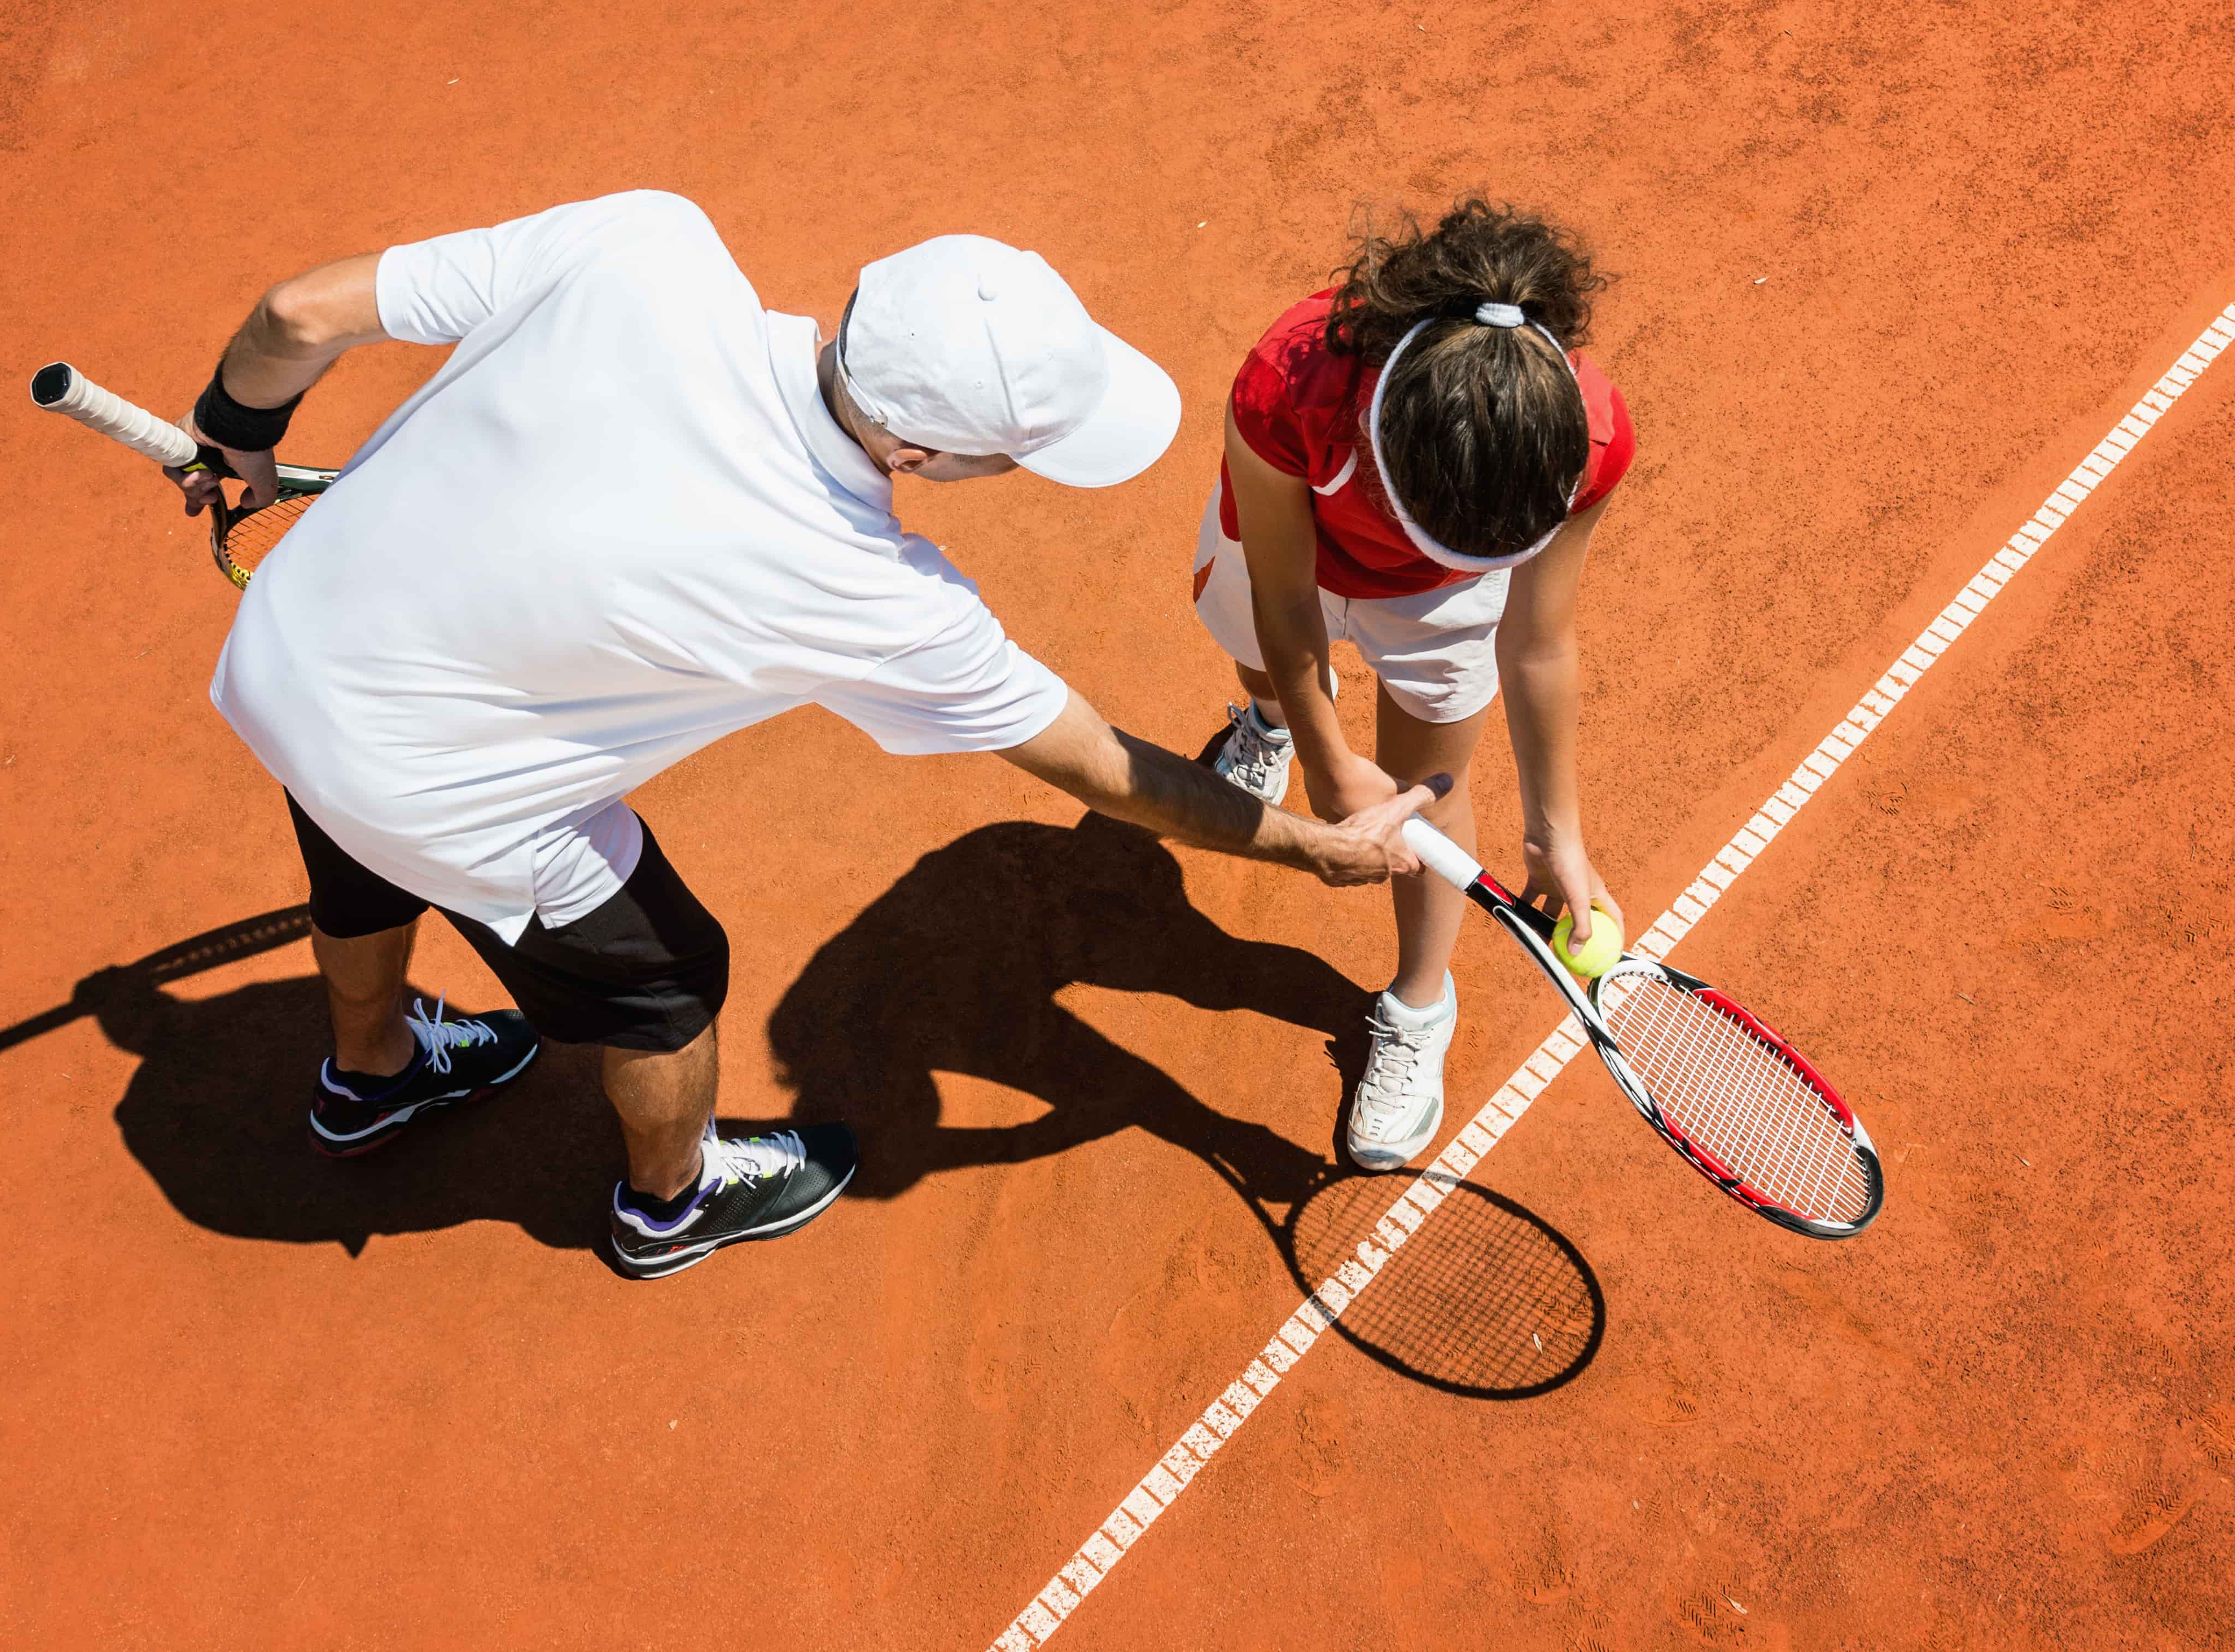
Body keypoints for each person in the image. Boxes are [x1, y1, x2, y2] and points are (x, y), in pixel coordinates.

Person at [169, 190, 1438, 1279]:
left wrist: (239, 421)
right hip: (432, 773)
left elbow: (297, 317)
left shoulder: (648, 245)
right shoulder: (870, 589)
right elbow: (1101, 764)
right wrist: (1305, 847)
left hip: (296, 651)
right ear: (926, 450)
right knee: (666, 980)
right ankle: (669, 1202)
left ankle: (375, 1067)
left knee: (355, 831)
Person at [1190, 196, 1633, 1171]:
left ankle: (1419, 1004)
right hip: (1292, 563)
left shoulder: (1586, 438)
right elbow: (1285, 594)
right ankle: (1262, 725)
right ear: (1383, 442)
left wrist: (1556, 830)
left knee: (1432, 780)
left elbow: (1538, 641)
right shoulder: (1288, 384)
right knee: (1265, 660)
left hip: (1443, 608)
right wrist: (1320, 755)